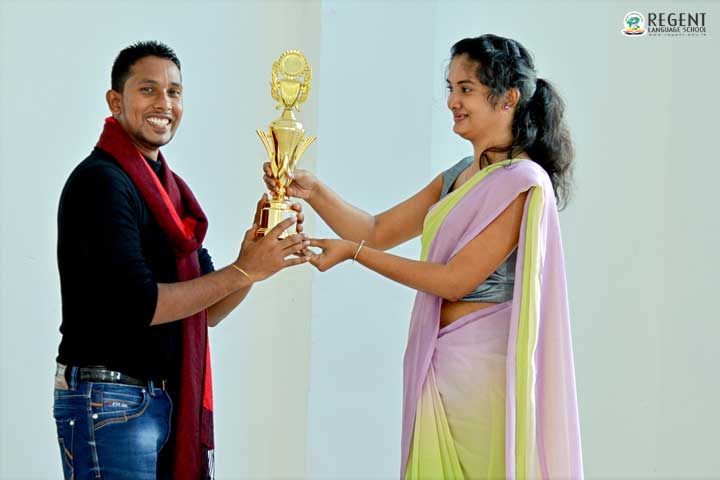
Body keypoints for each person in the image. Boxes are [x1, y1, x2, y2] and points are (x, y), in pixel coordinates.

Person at [264, 34, 583, 478]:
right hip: (440, 363)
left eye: (466, 89)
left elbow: (455, 280)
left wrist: (354, 255)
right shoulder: (459, 175)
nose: (453, 101)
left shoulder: (521, 181)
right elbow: (376, 230)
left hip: (482, 376)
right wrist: (313, 191)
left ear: (508, 98)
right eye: (451, 88)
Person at [54, 41, 310, 480]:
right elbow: (143, 305)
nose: (164, 103)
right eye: (148, 90)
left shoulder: (168, 194)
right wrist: (244, 269)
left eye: (174, 92)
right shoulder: (102, 183)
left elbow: (208, 310)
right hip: (109, 400)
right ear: (115, 101)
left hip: (159, 399)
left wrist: (253, 258)